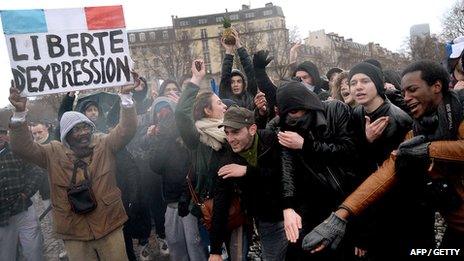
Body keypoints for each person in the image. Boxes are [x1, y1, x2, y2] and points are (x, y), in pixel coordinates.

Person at [303, 60, 464, 256]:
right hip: (455, 225)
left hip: (411, 217)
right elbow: (385, 172)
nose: (407, 98)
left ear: (437, 86)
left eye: (413, 90)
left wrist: (429, 149)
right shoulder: (417, 130)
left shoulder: (458, 113)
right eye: (404, 92)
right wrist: (341, 215)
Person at [8, 81, 138, 260]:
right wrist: (20, 113)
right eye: (76, 129)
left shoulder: (104, 143)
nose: (83, 132)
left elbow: (127, 130)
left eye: (86, 127)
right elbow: (21, 147)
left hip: (110, 225)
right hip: (74, 232)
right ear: (66, 134)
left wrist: (126, 98)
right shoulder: (52, 152)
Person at [348, 62, 431, 260]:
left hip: (398, 214)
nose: (358, 86)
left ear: (377, 84)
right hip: (369, 206)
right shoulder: (357, 114)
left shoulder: (398, 119)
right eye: (353, 82)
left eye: (365, 81)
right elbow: (355, 165)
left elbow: (391, 178)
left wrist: (365, 231)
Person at [177, 60, 250, 260]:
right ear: (208, 111)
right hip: (208, 212)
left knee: (237, 257)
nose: (225, 106)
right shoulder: (197, 137)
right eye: (219, 103)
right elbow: (181, 114)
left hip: (234, 208)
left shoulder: (233, 135)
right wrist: (196, 80)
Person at [276, 81, 357, 260]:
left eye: (295, 112)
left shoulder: (335, 110)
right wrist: (288, 206)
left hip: (344, 197)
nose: (292, 119)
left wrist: (306, 145)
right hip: (310, 201)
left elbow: (349, 151)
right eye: (287, 114)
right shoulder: (286, 124)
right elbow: (286, 167)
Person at [208, 106, 287, 261]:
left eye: (235, 132)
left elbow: (283, 174)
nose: (230, 139)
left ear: (252, 129)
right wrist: (215, 250)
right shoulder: (227, 160)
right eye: (227, 132)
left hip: (294, 211)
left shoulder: (271, 140)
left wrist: (247, 171)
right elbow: (221, 203)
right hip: (268, 219)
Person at [149, 97, 207, 261]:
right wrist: (162, 138)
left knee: (195, 245)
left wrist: (186, 195)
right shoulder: (160, 137)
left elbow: (194, 165)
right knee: (175, 243)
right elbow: (155, 166)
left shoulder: (186, 134)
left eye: (166, 110)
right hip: (171, 202)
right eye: (159, 112)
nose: (163, 114)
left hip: (191, 200)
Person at [0, 127, 44, 261]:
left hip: (24, 209)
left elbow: (36, 172)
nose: (0, 137)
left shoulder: (17, 152)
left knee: (33, 250)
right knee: (6, 255)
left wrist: (26, 193)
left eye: (1, 133)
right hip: (2, 216)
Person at [219, 28, 258, 109]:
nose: (235, 85)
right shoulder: (225, 97)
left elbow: (250, 71)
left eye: (239, 81)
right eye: (232, 82)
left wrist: (238, 46)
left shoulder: (250, 95)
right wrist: (229, 51)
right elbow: (225, 75)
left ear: (243, 84)